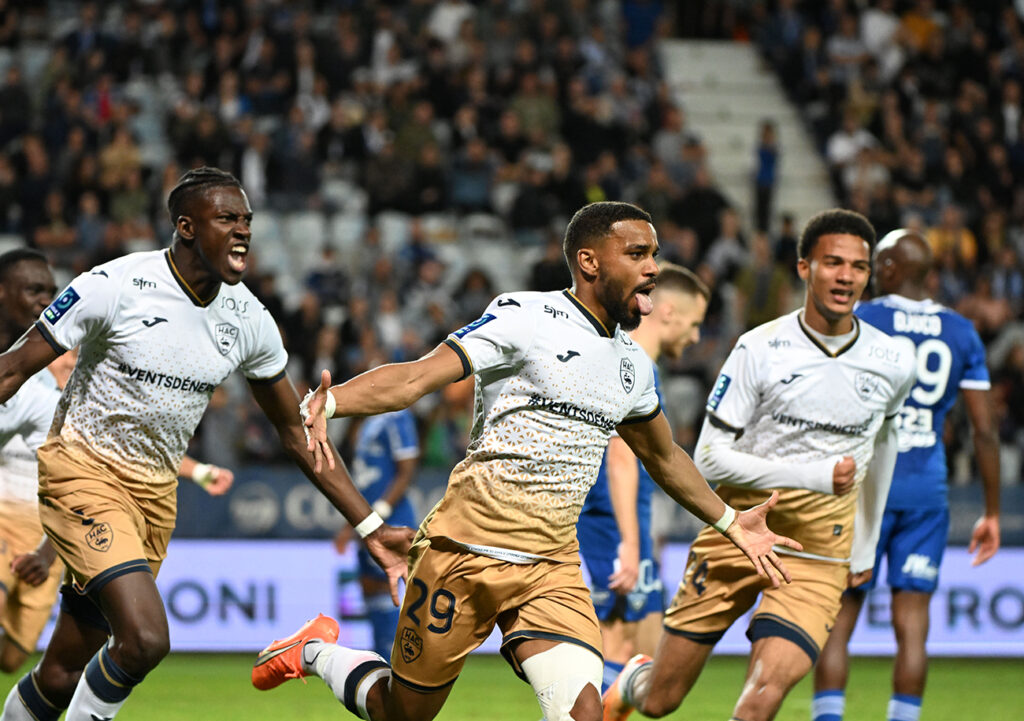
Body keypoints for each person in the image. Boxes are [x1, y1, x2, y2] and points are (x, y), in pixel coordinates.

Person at [252, 201, 801, 721]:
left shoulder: (632, 364)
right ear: (589, 261)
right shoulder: (528, 318)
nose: (653, 268)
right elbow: (419, 375)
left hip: (550, 567)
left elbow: (663, 454)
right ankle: (317, 652)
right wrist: (335, 400)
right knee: (402, 712)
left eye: (654, 255)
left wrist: (731, 523)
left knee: (583, 712)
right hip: (463, 553)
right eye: (638, 254)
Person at [0, 168, 411, 721]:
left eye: (246, 221)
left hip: (153, 495)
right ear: (186, 227)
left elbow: (296, 432)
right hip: (82, 471)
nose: (242, 231)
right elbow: (12, 370)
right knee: (145, 639)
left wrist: (371, 528)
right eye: (227, 219)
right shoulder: (113, 285)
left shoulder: (249, 321)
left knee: (62, 672)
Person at [604, 208, 918, 721]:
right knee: (660, 700)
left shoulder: (892, 361)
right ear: (804, 268)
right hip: (738, 534)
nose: (845, 276)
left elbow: (884, 443)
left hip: (819, 552)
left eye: (857, 267)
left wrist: (866, 540)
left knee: (761, 701)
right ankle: (633, 680)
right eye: (832, 262)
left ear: (869, 276)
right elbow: (708, 456)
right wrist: (815, 476)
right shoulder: (759, 349)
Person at [0, 249, 234, 676]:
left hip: (53, 531)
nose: (45, 300)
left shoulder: (76, 400)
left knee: (13, 659)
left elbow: (122, 455)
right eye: (35, 290)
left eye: (50, 292)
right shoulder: (28, 384)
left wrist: (199, 470)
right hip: (11, 520)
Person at [811, 229, 1001, 721]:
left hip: (860, 488)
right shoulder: (961, 331)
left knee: (839, 618)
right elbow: (984, 432)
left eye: (874, 264)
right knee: (912, 624)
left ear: (891, 268)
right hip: (926, 493)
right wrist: (993, 512)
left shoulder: (861, 319)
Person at [576, 263, 710, 692]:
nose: (696, 337)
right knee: (617, 649)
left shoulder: (632, 361)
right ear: (667, 312)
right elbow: (620, 455)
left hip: (622, 525)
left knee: (641, 657)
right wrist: (630, 543)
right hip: (611, 527)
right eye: (694, 324)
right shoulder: (634, 366)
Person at [336, 408, 421, 662]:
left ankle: (400, 664)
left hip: (389, 519)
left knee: (389, 585)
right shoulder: (362, 420)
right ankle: (383, 659)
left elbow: (407, 468)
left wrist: (381, 511)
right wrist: (351, 525)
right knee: (370, 586)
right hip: (365, 520)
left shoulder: (397, 416)